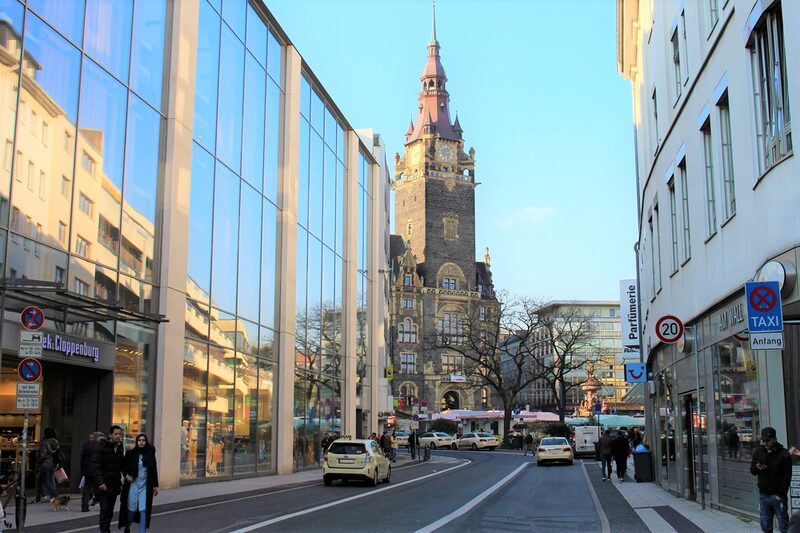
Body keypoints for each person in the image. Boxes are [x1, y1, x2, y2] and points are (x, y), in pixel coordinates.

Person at [750, 427, 792, 533]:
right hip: (763, 496)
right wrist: (757, 468)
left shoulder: (784, 454)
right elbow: (752, 470)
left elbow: (787, 476)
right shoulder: (758, 451)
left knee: (784, 526)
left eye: (768, 440)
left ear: (775, 439)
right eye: (763, 440)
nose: (765, 443)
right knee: (765, 526)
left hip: (778, 496)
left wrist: (780, 495)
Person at [119, 434, 160, 533]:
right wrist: (127, 476)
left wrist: (156, 485)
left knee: (143, 510)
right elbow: (122, 466)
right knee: (131, 510)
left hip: (145, 486)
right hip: (133, 485)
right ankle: (128, 527)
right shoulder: (130, 454)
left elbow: (154, 470)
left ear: (146, 442)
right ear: (136, 442)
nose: (141, 442)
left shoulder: (150, 454)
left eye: (143, 440)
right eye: (139, 440)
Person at [91, 425, 124, 533]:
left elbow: (121, 464)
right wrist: (101, 482)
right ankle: (104, 530)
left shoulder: (120, 447)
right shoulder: (101, 447)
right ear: (110, 435)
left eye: (120, 434)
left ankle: (107, 529)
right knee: (104, 510)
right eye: (116, 434)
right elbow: (95, 466)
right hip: (103, 486)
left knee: (110, 511)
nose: (118, 436)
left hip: (114, 485)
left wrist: (127, 475)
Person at [36, 427, 61, 503]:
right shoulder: (55, 442)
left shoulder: (45, 442)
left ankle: (56, 495)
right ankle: (38, 498)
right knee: (45, 480)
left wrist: (38, 460)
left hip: (45, 464)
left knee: (46, 481)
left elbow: (42, 455)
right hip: (53, 464)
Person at [80, 431, 104, 512]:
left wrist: (82, 470)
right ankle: (101, 504)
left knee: (87, 488)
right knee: (99, 487)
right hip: (97, 470)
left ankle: (84, 506)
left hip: (88, 470)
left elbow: (82, 459)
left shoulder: (86, 446)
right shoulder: (101, 446)